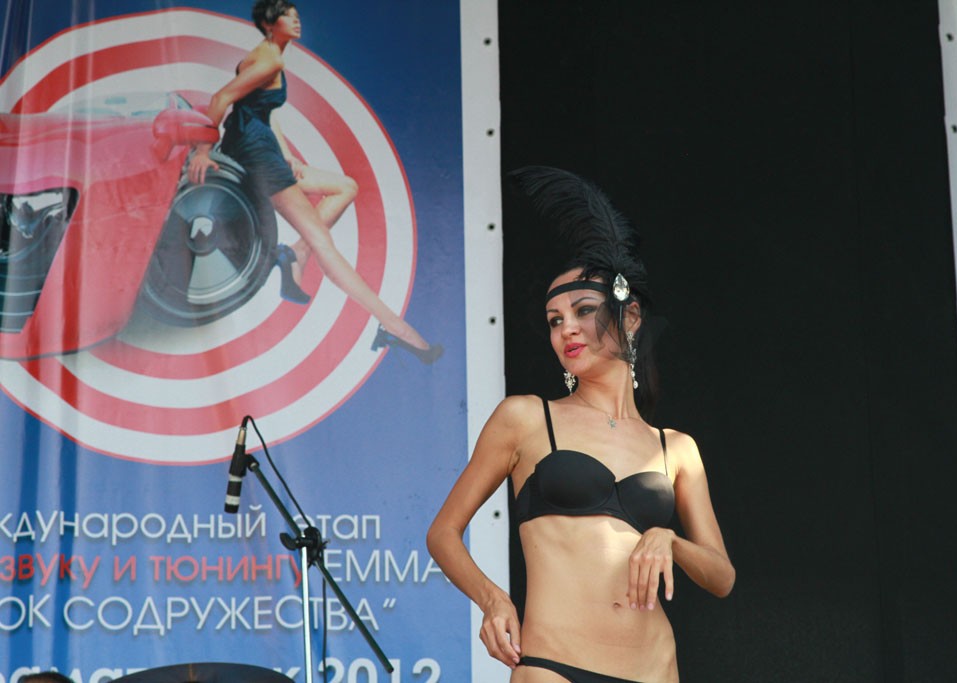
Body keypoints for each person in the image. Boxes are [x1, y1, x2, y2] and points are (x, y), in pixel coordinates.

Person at [427, 167, 734, 682]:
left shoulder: (675, 447)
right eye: (554, 320)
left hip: (655, 668)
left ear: (629, 317)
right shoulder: (526, 418)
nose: (567, 328)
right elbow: (443, 532)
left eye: (583, 310)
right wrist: (493, 599)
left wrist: (670, 541)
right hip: (555, 665)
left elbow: (721, 576)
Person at [188, 0, 440, 363]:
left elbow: (256, 108)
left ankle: (296, 254)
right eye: (288, 15)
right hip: (256, 154)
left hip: (259, 148)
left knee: (346, 186)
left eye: (296, 14)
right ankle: (397, 329)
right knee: (327, 247)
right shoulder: (270, 60)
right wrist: (202, 150)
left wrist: (285, 152)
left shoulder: (268, 54)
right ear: (270, 23)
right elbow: (222, 98)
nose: (297, 20)